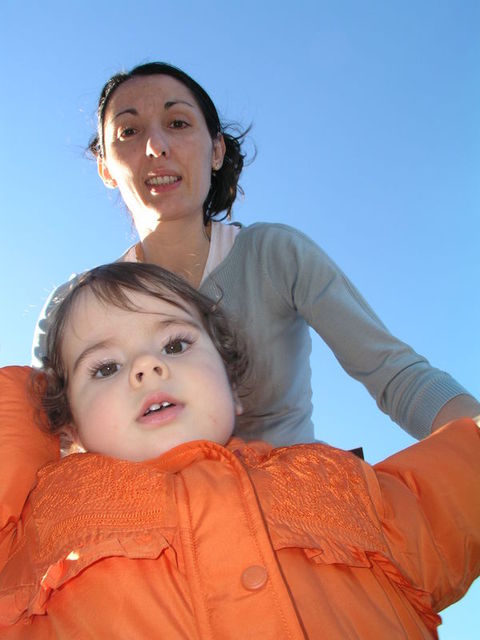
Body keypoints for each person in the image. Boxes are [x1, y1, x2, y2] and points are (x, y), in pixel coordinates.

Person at [1, 262, 479, 639]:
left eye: (175, 344)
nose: (146, 366)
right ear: (68, 425)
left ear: (231, 386)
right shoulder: (37, 514)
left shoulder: (336, 479)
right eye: (105, 368)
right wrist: (29, 398)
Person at [31, 62, 479, 446]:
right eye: (129, 131)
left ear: (216, 150)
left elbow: (396, 375)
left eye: (178, 123)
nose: (156, 146)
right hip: (150, 518)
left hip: (299, 508)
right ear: (105, 167)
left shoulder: (275, 254)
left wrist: (470, 437)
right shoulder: (72, 308)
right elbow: (48, 445)